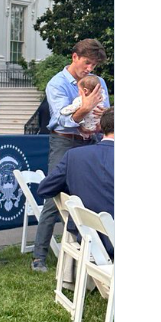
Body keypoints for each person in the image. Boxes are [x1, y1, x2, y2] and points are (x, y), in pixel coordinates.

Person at [31, 39, 109, 272]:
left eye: (94, 65)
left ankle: (93, 252)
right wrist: (84, 108)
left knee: (93, 194)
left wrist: (102, 116)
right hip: (64, 141)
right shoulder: (57, 83)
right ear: (74, 57)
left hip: (92, 141)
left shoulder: (99, 82)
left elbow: (104, 114)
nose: (90, 69)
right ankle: (39, 256)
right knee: (54, 196)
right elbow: (61, 120)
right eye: (87, 63)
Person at [36, 109, 114, 258]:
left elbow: (44, 189)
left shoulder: (74, 156)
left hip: (86, 237)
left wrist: (74, 184)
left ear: (101, 126)